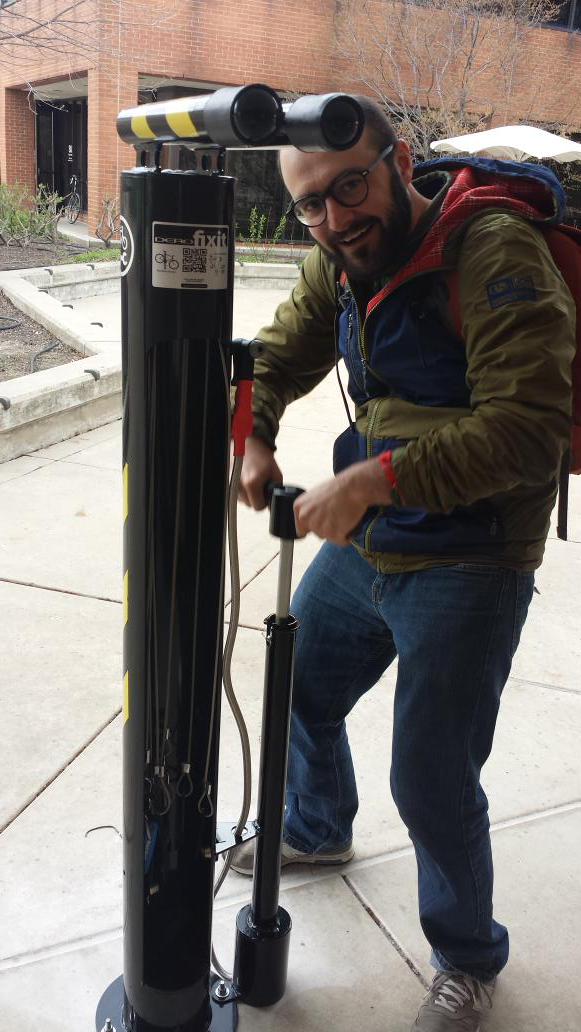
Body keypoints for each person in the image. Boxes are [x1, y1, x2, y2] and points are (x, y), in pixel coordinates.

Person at [232, 96, 575, 1031]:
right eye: (311, 203)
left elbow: (527, 432)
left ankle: (466, 959)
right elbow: (275, 357)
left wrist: (371, 480)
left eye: (350, 187)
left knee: (430, 777)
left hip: (472, 556)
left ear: (400, 159)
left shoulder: (495, 252)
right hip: (374, 539)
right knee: (297, 684)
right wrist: (251, 435)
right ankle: (316, 826)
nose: (335, 217)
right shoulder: (338, 259)